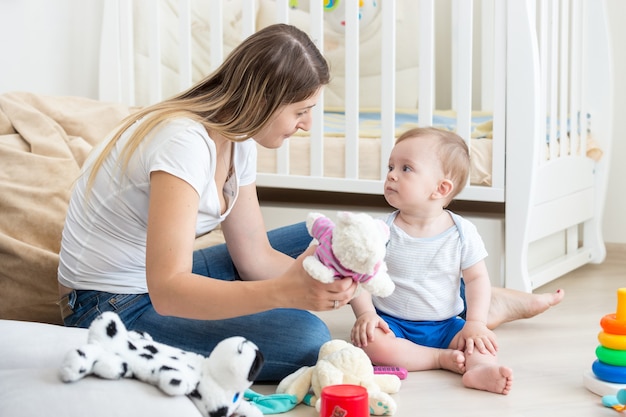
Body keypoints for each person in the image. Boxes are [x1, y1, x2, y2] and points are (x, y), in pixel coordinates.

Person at [58, 23, 562, 383]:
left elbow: (252, 255)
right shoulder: (182, 143)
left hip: (155, 280)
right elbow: (167, 290)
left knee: (335, 234)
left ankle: (441, 300)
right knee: (306, 337)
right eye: (301, 110)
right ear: (263, 99)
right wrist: (288, 292)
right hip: (113, 305)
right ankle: (439, 312)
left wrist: (314, 284)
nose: (307, 125)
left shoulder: (235, 141)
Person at [350, 127, 515, 394]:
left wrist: (475, 323)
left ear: (441, 188)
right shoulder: (381, 230)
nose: (391, 174)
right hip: (393, 323)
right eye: (391, 166)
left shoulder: (462, 232)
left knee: (479, 344)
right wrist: (367, 314)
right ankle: (438, 359)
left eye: (406, 169)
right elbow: (358, 275)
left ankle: (480, 370)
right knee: (370, 343)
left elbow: (477, 279)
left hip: (446, 325)